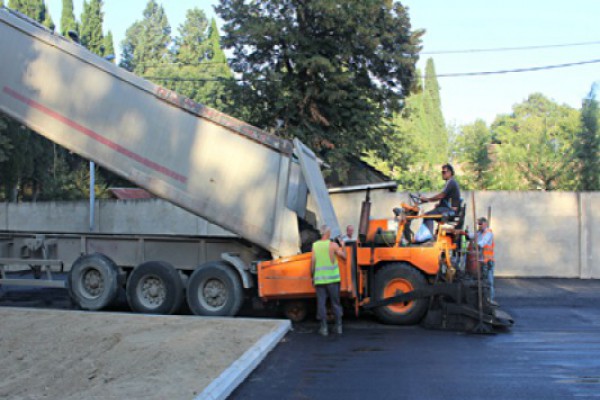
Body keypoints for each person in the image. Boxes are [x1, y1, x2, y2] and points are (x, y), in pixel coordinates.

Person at [310, 225, 347, 336]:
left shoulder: (315, 246)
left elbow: (313, 263)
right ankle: (338, 327)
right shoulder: (333, 245)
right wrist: (343, 246)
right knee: (335, 303)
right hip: (333, 280)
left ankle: (324, 328)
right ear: (327, 233)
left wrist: (312, 276)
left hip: (320, 280)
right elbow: (344, 257)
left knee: (321, 304)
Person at [419, 163, 461, 237]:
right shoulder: (450, 183)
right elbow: (447, 198)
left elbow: (441, 195)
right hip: (448, 209)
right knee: (430, 213)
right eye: (442, 172)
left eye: (444, 172)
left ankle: (428, 238)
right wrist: (439, 204)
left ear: (450, 172)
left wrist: (427, 199)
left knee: (427, 215)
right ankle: (431, 236)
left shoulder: (451, 182)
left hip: (449, 211)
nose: (442, 174)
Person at [475, 217, 497, 306]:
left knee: (489, 281)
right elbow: (473, 235)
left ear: (485, 224)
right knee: (482, 281)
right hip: (482, 261)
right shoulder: (480, 233)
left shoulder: (488, 233)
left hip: (488, 261)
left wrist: (475, 244)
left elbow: (482, 243)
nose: (479, 226)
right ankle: (484, 299)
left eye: (480, 224)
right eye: (478, 224)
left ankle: (490, 300)